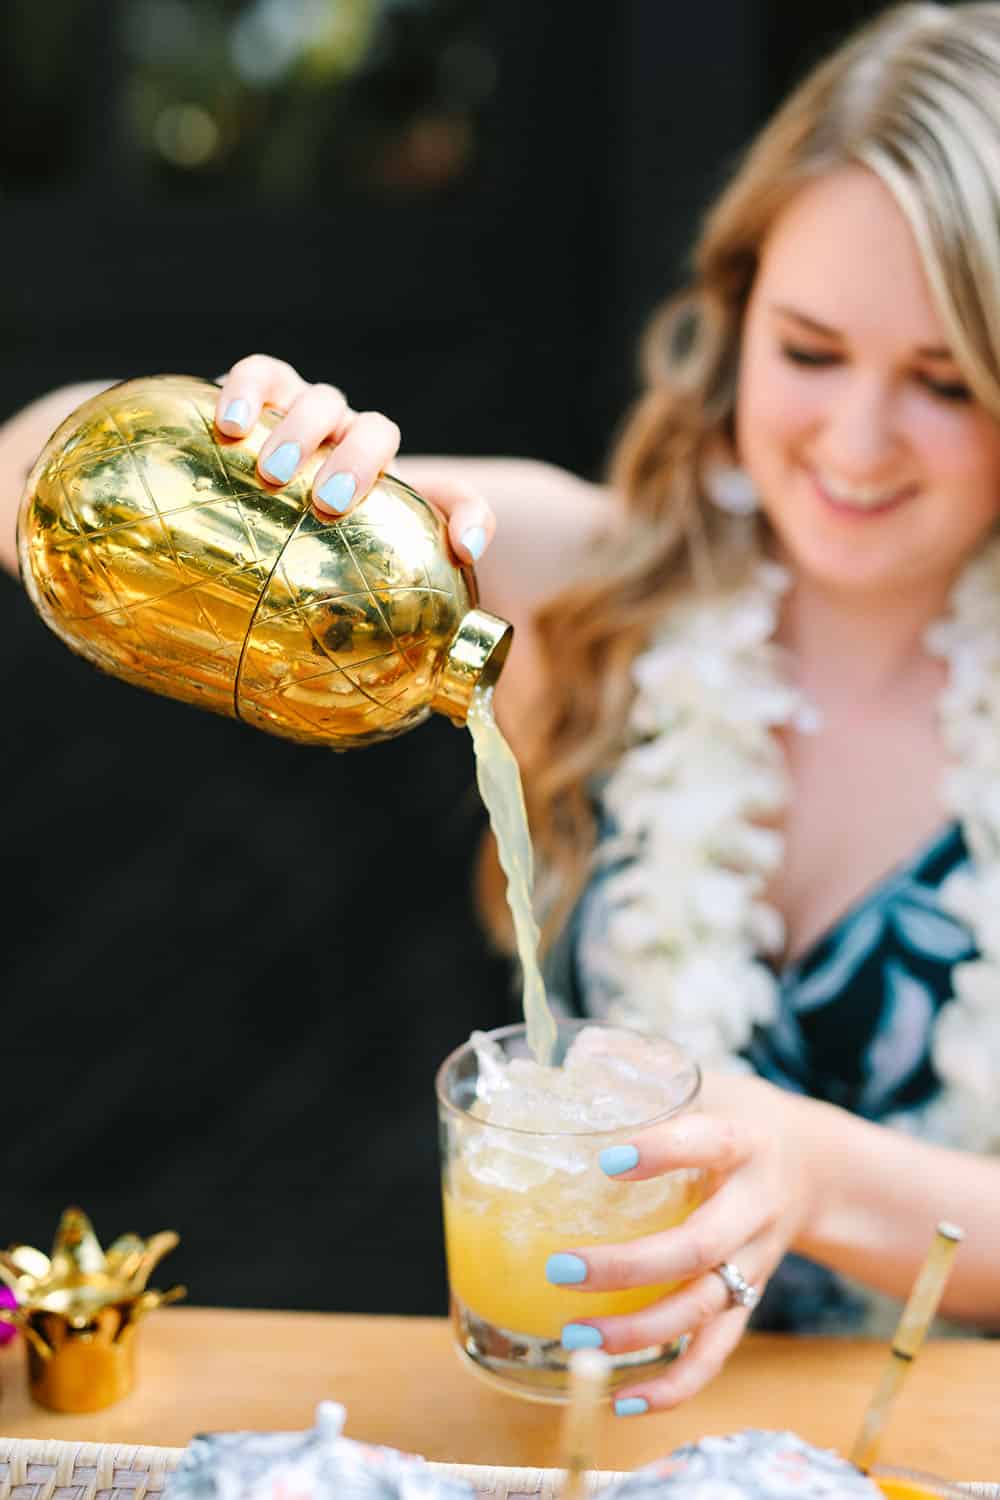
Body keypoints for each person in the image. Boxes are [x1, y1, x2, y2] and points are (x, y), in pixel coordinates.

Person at [3, 0, 1000, 1415]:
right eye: (812, 349)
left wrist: (820, 1174)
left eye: (944, 381)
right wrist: (238, 450)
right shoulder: (580, 580)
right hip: (565, 1432)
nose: (852, 441)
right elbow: (19, 467)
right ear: (734, 319)